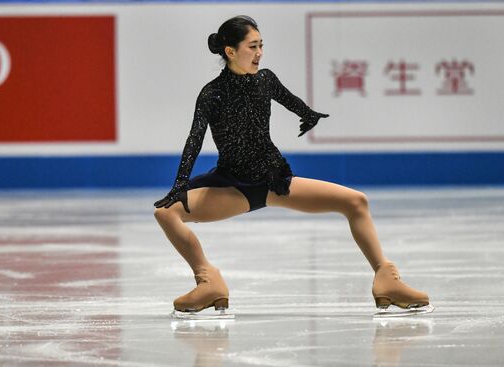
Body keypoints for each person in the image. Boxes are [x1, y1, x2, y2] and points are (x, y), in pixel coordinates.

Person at [154, 15, 431, 316]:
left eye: (261, 45)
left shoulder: (266, 80)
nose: (259, 53)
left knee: (356, 202)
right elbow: (194, 138)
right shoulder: (212, 94)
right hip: (233, 188)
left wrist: (309, 114)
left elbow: (290, 100)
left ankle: (386, 279)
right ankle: (209, 281)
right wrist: (181, 183)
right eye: (252, 46)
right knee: (166, 213)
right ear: (230, 51)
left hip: (276, 183)